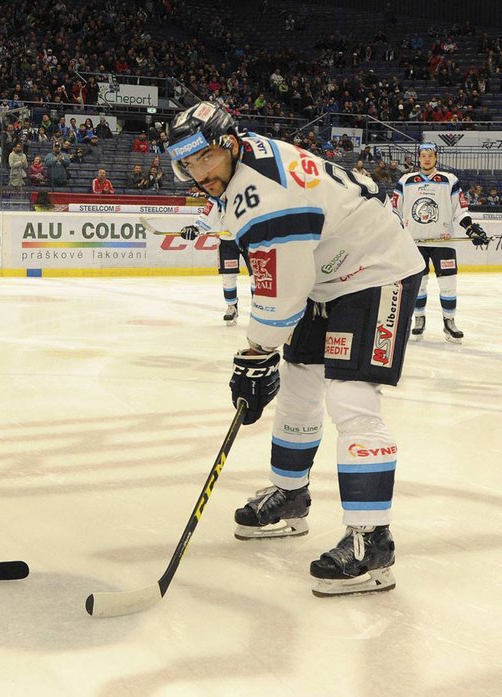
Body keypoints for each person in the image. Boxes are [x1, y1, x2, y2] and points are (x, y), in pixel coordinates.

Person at [167, 101, 425, 597]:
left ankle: (372, 543)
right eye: (189, 163)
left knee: (351, 400)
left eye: (205, 159)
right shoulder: (244, 166)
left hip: (376, 273)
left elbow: (281, 288)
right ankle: (290, 496)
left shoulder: (265, 194)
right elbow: (285, 277)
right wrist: (262, 356)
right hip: (325, 277)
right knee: (299, 388)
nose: (199, 173)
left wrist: (254, 354)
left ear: (229, 144)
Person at [391, 143, 490, 343]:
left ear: (436, 157)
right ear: (418, 158)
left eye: (430, 155)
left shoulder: (449, 180)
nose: (426, 159)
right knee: (419, 285)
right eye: (423, 155)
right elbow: (394, 211)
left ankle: (449, 322)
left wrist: (471, 229)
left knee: (448, 285)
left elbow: (460, 210)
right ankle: (419, 319)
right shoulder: (405, 181)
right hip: (415, 243)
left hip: (443, 242)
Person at [178, 198, 250, 325]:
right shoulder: (222, 189)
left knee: (259, 276)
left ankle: (258, 310)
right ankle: (232, 306)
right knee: (228, 277)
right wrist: (196, 228)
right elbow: (211, 210)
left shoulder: (255, 186)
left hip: (252, 238)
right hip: (228, 240)